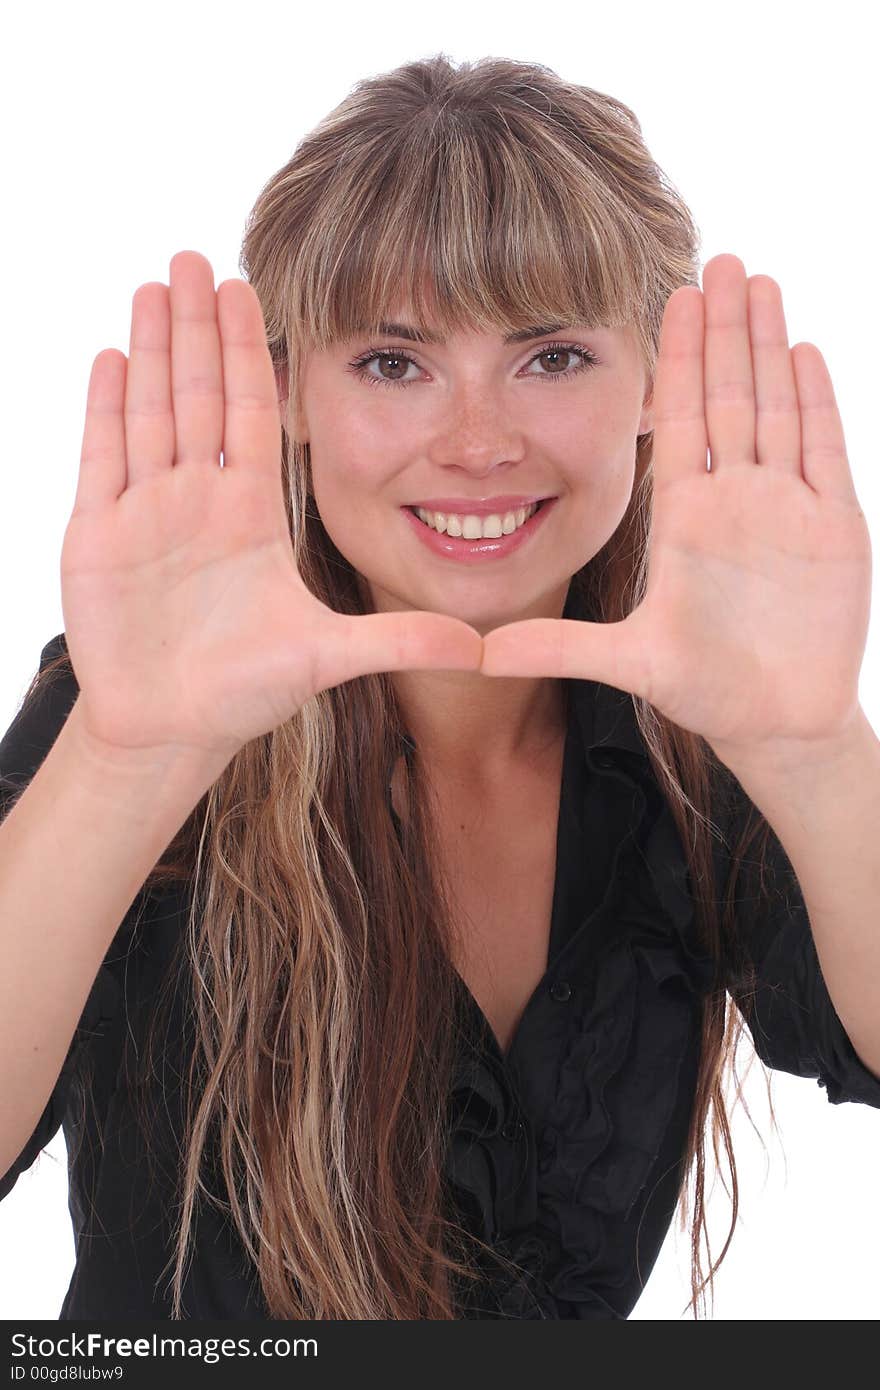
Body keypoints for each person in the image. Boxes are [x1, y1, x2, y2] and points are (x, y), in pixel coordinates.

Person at [1, 52, 879, 1323]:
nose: (477, 442)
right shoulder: (142, 696)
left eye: (553, 358)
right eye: (394, 364)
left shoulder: (701, 731)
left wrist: (813, 747)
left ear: (653, 382)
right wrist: (129, 760)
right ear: (287, 391)